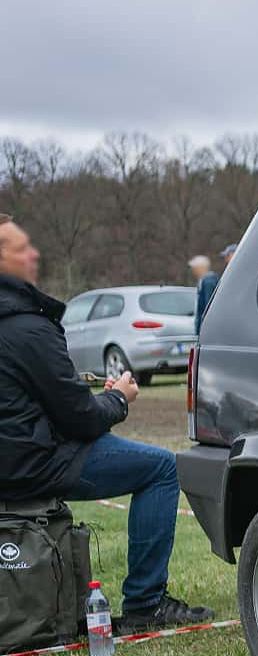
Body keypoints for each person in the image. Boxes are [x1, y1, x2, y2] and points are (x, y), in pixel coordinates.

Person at [0, 215, 212, 631]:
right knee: (161, 467)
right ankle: (146, 603)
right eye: (21, 248)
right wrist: (119, 398)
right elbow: (81, 420)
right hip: (32, 466)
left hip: (15, 457)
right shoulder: (27, 327)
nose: (34, 253)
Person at [196, 243, 235, 331]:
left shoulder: (209, 280)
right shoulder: (228, 273)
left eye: (227, 255)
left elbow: (208, 307)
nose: (225, 259)